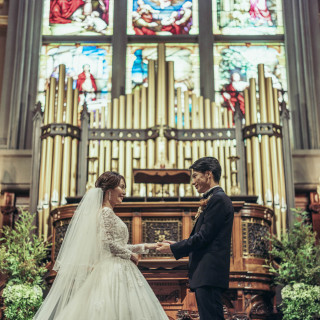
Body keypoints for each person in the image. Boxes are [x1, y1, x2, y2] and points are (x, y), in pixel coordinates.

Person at [34, 171, 168, 320]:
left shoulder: (107, 212)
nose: (124, 192)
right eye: (121, 187)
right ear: (109, 190)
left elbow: (118, 245)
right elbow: (108, 244)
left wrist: (148, 246)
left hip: (115, 266)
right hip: (113, 270)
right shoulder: (106, 213)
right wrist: (130, 255)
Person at [157, 157, 234, 320]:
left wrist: (174, 248)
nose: (193, 182)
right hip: (207, 274)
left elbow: (203, 237)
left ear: (208, 174)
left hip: (209, 274)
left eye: (195, 176)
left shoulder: (219, 199)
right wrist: (177, 244)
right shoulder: (214, 198)